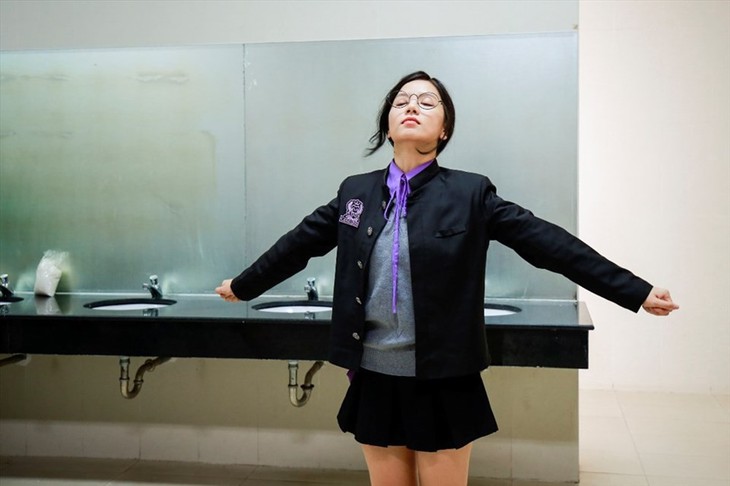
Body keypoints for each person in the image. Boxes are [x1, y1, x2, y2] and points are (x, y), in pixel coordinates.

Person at [216, 71, 679, 486]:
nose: (411, 106)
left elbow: (549, 244)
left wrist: (634, 291)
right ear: (387, 125)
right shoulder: (355, 192)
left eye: (427, 101)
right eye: (401, 101)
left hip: (444, 375)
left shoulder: (470, 192)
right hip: (374, 372)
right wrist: (243, 285)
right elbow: (299, 243)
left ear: (444, 129)